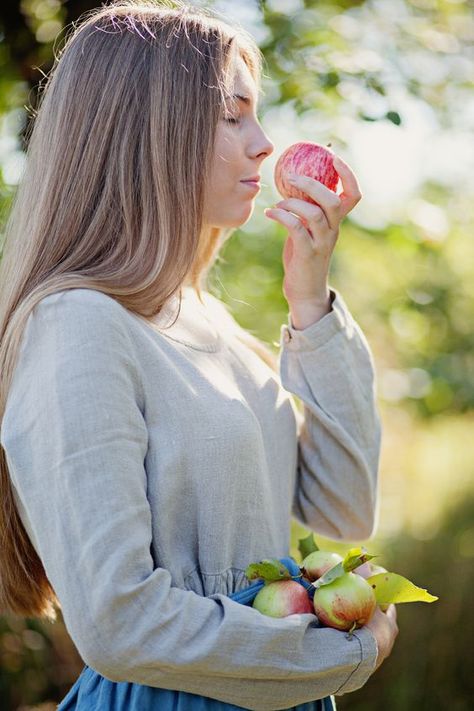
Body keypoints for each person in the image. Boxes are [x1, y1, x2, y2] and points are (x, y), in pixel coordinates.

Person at [0, 2, 398, 710]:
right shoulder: (77, 326)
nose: (264, 144)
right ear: (149, 131)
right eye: (234, 116)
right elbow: (121, 625)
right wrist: (338, 653)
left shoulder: (210, 327)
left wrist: (311, 305)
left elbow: (346, 504)